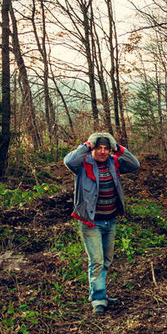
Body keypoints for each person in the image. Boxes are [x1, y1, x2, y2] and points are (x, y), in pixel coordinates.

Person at [64, 132, 140, 314]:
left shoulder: (114, 163)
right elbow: (69, 161)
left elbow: (134, 164)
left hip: (110, 219)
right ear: (93, 149)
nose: (103, 152)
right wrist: (87, 145)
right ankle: (98, 300)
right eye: (99, 148)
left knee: (106, 260)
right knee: (96, 261)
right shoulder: (83, 164)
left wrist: (119, 148)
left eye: (106, 148)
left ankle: (100, 293)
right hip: (91, 222)